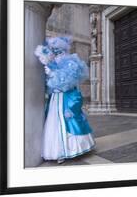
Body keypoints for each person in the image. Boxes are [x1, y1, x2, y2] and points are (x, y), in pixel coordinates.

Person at [34, 36, 96, 164]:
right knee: (53, 123)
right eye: (54, 51)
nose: (57, 54)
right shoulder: (53, 63)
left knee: (67, 121)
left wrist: (52, 74)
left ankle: (68, 151)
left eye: (58, 51)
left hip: (65, 98)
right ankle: (56, 151)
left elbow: (68, 81)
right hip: (55, 99)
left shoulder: (71, 62)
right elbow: (49, 83)